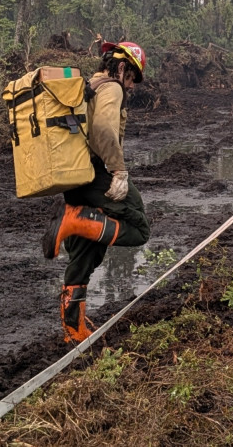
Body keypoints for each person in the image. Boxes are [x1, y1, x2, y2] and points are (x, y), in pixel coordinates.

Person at [41, 40, 152, 344]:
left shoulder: (88, 86)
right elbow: (103, 129)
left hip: (72, 177)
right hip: (93, 173)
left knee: (86, 252)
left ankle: (73, 329)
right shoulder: (112, 88)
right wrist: (119, 171)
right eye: (131, 77)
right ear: (120, 67)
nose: (130, 86)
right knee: (139, 227)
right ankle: (72, 221)